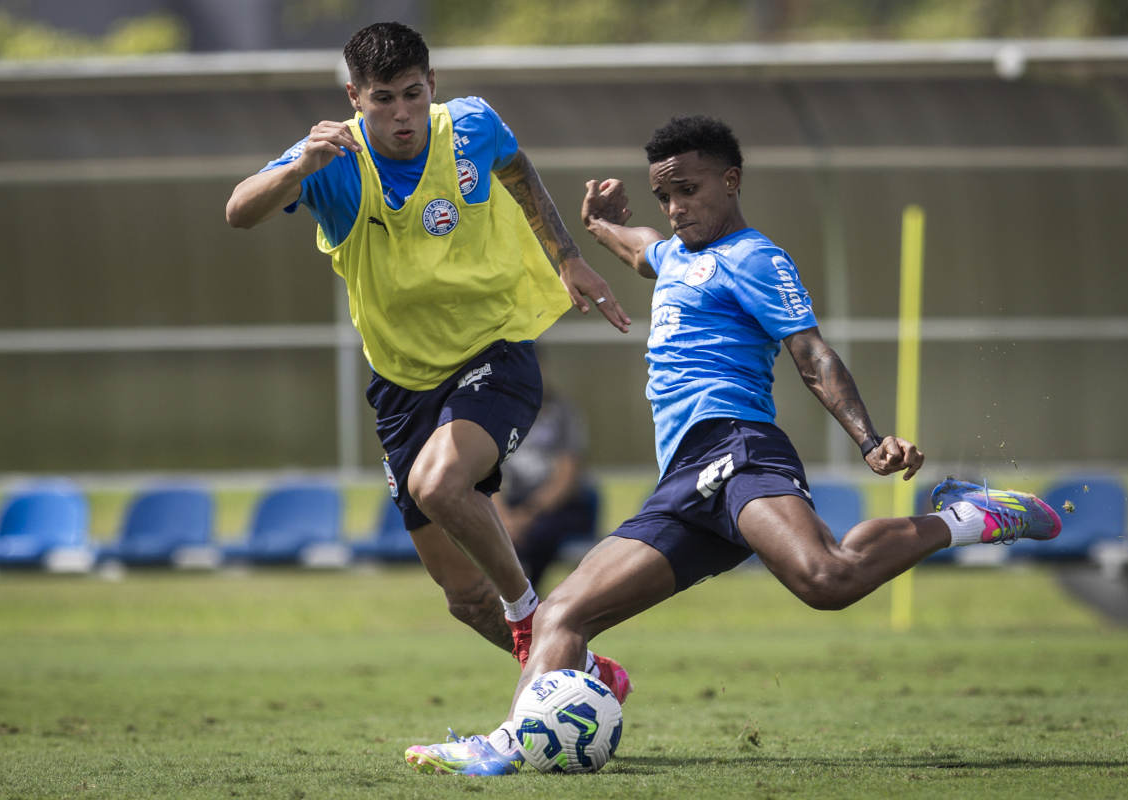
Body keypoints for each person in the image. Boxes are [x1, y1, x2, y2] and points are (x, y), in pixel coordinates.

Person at [403, 115, 1063, 776]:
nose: (675, 207)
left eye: (687, 190)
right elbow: (642, 249)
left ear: (731, 179)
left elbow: (812, 355)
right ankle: (511, 743)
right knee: (564, 615)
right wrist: (601, 224)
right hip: (683, 481)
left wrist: (869, 440)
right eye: (664, 197)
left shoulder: (755, 258)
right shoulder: (676, 255)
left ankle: (966, 516)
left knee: (826, 580)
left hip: (737, 449)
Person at [225, 22, 633, 700]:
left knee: (440, 485)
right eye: (383, 99)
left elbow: (516, 167)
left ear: (433, 86)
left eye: (413, 95)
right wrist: (298, 166)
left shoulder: (470, 126)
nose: (401, 114)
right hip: (403, 385)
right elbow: (238, 213)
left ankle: (533, 619)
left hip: (495, 349)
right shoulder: (333, 162)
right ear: (354, 97)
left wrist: (567, 257)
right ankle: (583, 676)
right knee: (463, 597)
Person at [493, 385, 599, 587]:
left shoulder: (563, 414)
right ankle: (520, 602)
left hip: (560, 507)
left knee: (538, 534)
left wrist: (527, 515)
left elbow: (566, 477)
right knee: (492, 533)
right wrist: (505, 518)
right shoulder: (495, 414)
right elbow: (484, 474)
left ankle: (526, 601)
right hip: (513, 507)